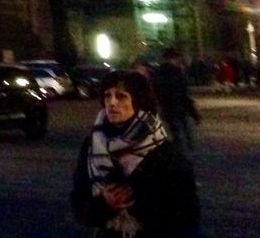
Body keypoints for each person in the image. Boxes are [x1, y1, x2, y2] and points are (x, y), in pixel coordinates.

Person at [70, 69, 199, 238]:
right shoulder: (93, 145)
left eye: (121, 96)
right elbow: (80, 204)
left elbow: (186, 214)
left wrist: (137, 201)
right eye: (107, 96)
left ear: (139, 102)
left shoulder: (163, 150)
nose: (112, 102)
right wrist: (105, 205)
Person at [151, 48, 201, 153]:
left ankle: (180, 154)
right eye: (177, 58)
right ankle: (187, 154)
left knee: (177, 134)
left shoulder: (158, 73)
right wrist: (194, 113)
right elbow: (183, 94)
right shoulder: (177, 73)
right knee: (185, 134)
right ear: (173, 58)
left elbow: (156, 92)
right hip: (179, 108)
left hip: (168, 108)